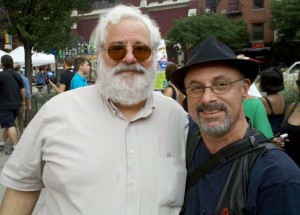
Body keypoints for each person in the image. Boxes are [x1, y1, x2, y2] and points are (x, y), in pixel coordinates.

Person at [0, 5, 188, 215]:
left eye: (140, 49)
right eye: (117, 49)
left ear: (152, 56)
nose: (129, 58)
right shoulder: (57, 112)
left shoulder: (179, 119)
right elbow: (21, 189)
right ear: (99, 54)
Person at [170, 37, 300, 214]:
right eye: (196, 88)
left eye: (221, 85)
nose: (207, 98)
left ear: (244, 89)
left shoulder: (276, 177)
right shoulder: (186, 144)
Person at [0, 55, 25, 155]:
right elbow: (22, 90)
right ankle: (2, 143)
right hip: (16, 104)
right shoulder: (17, 74)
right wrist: (22, 102)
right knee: (8, 123)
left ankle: (16, 147)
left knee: (9, 125)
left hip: (5, 104)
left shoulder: (1, 75)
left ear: (2, 63)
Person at [278, 72, 300, 166]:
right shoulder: (292, 107)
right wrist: (277, 142)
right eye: (299, 83)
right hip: (287, 166)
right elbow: (283, 134)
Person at [259, 67, 286, 135]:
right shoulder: (283, 98)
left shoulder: (263, 101)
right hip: (279, 135)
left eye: (260, 80)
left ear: (265, 83)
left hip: (268, 137)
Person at [13, 62, 32, 137]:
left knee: (13, 121)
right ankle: (20, 136)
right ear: (20, 69)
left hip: (11, 102)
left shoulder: (10, 78)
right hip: (21, 103)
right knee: (20, 120)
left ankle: (16, 135)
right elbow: (27, 93)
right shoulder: (24, 79)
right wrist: (29, 104)